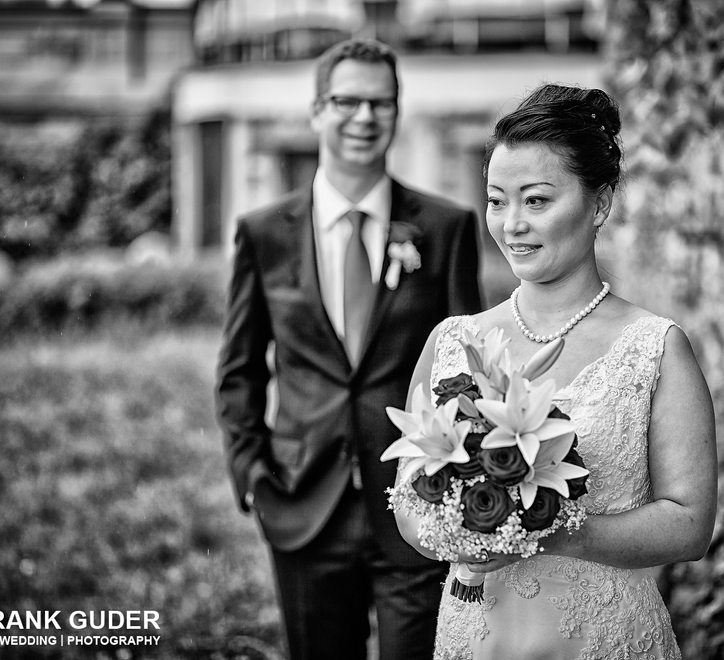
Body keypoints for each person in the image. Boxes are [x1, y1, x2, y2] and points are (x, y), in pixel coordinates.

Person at [393, 83, 718, 659]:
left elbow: (689, 524)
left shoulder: (656, 349)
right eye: (497, 200)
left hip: (605, 637)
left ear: (599, 204)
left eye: (536, 200)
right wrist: (458, 535)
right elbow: (409, 501)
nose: (511, 223)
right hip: (477, 636)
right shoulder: (453, 340)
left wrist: (546, 529)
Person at [215, 38, 483, 660]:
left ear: (397, 111)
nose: (365, 117)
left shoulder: (446, 229)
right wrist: (253, 477)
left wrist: (465, 487)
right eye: (347, 101)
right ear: (316, 111)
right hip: (303, 505)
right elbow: (238, 371)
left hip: (418, 511)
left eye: (381, 104)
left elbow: (467, 372)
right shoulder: (263, 234)